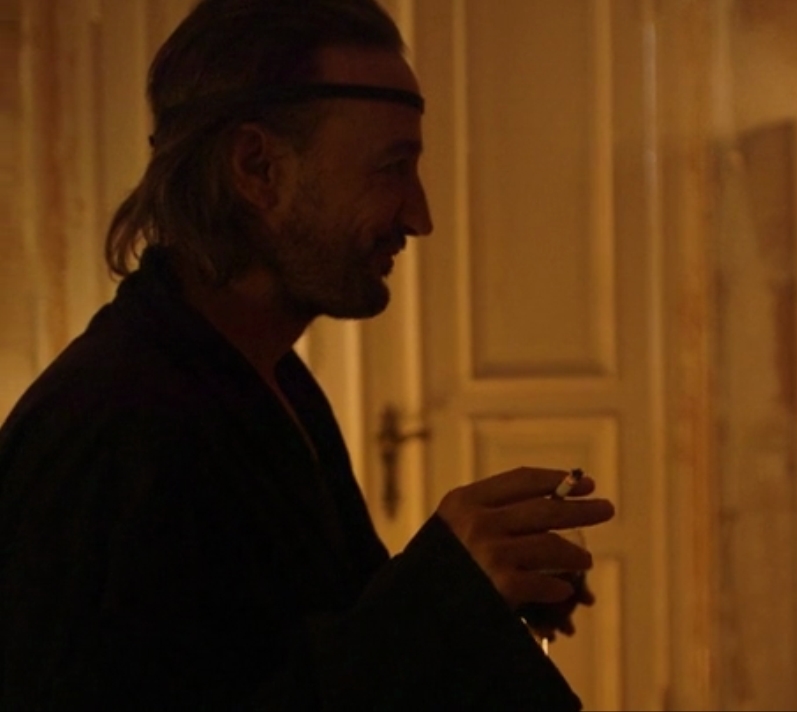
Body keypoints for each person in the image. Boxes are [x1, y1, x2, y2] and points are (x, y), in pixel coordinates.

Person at [0, 0, 614, 709]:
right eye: (391, 168)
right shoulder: (106, 430)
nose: (419, 217)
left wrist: (484, 596)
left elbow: (310, 646)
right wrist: (441, 600)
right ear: (258, 167)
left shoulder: (274, 380)